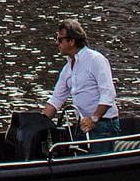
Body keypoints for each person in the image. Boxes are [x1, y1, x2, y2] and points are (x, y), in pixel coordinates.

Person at [41, 19, 120, 147]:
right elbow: (56, 100)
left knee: (95, 164)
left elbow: (108, 94)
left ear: (71, 42)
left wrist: (94, 119)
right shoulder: (67, 69)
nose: (57, 43)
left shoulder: (96, 60)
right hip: (83, 125)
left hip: (103, 125)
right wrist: (38, 123)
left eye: (60, 39)